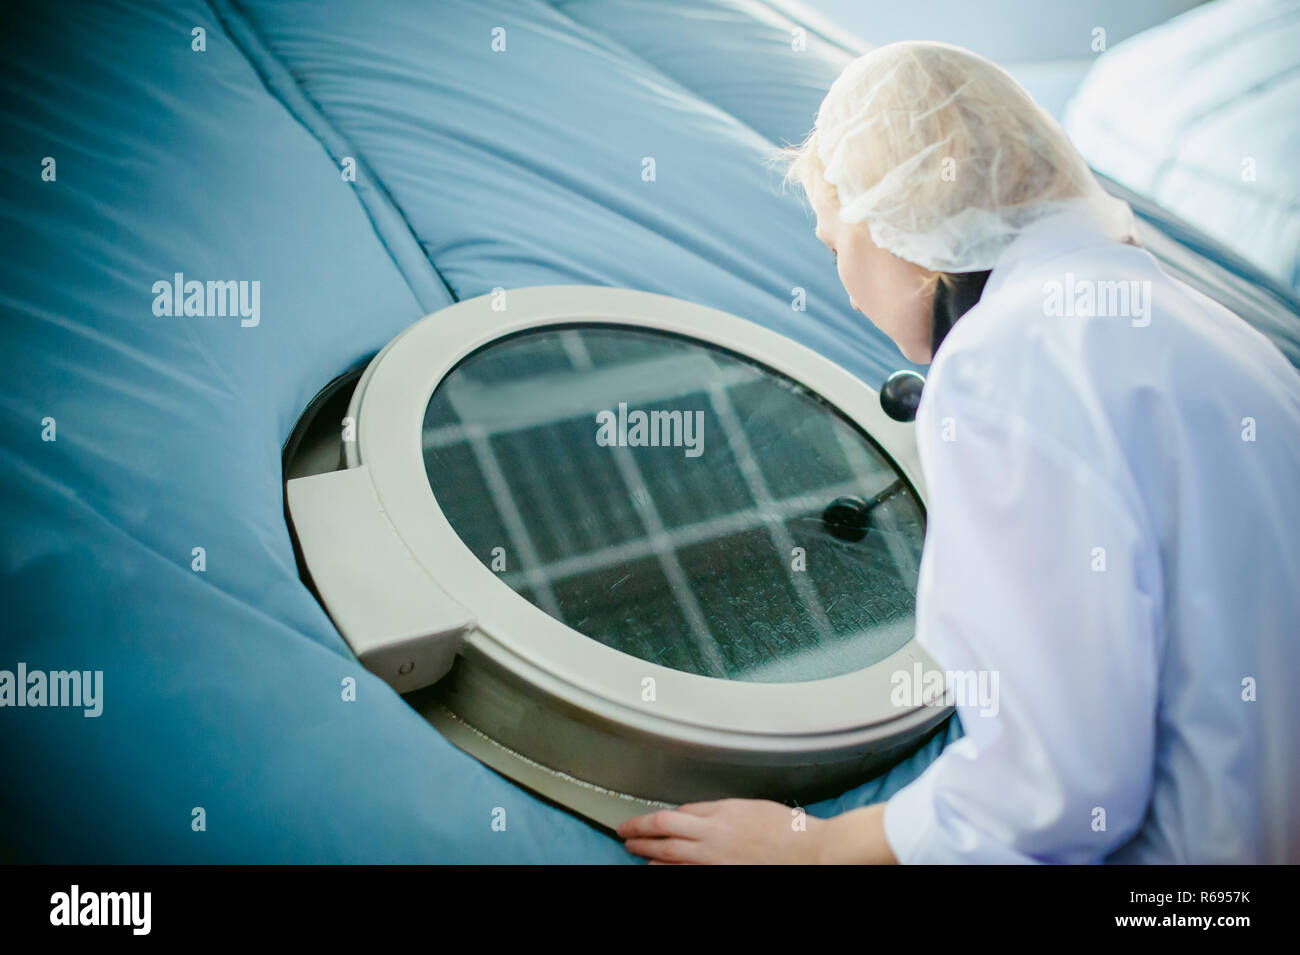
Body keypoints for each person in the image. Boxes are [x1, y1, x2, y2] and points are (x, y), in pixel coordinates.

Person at [618, 41, 1300, 864]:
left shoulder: (1001, 363)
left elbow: (1058, 784)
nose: (843, 278)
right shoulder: (1224, 336)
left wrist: (821, 848)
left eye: (836, 245)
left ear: (891, 222)